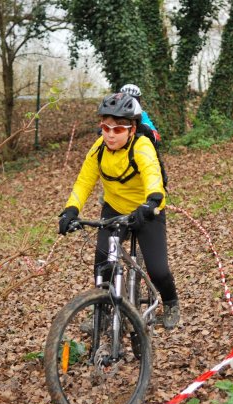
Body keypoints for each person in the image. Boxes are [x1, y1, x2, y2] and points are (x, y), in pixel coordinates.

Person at [58, 92, 180, 330]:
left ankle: (172, 303)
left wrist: (153, 201)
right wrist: (70, 210)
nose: (110, 135)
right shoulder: (98, 149)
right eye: (106, 128)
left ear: (132, 129)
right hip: (114, 210)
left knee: (158, 269)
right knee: (102, 261)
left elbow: (152, 173)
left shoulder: (142, 146)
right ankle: (100, 312)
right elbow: (84, 182)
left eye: (118, 129)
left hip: (146, 209)